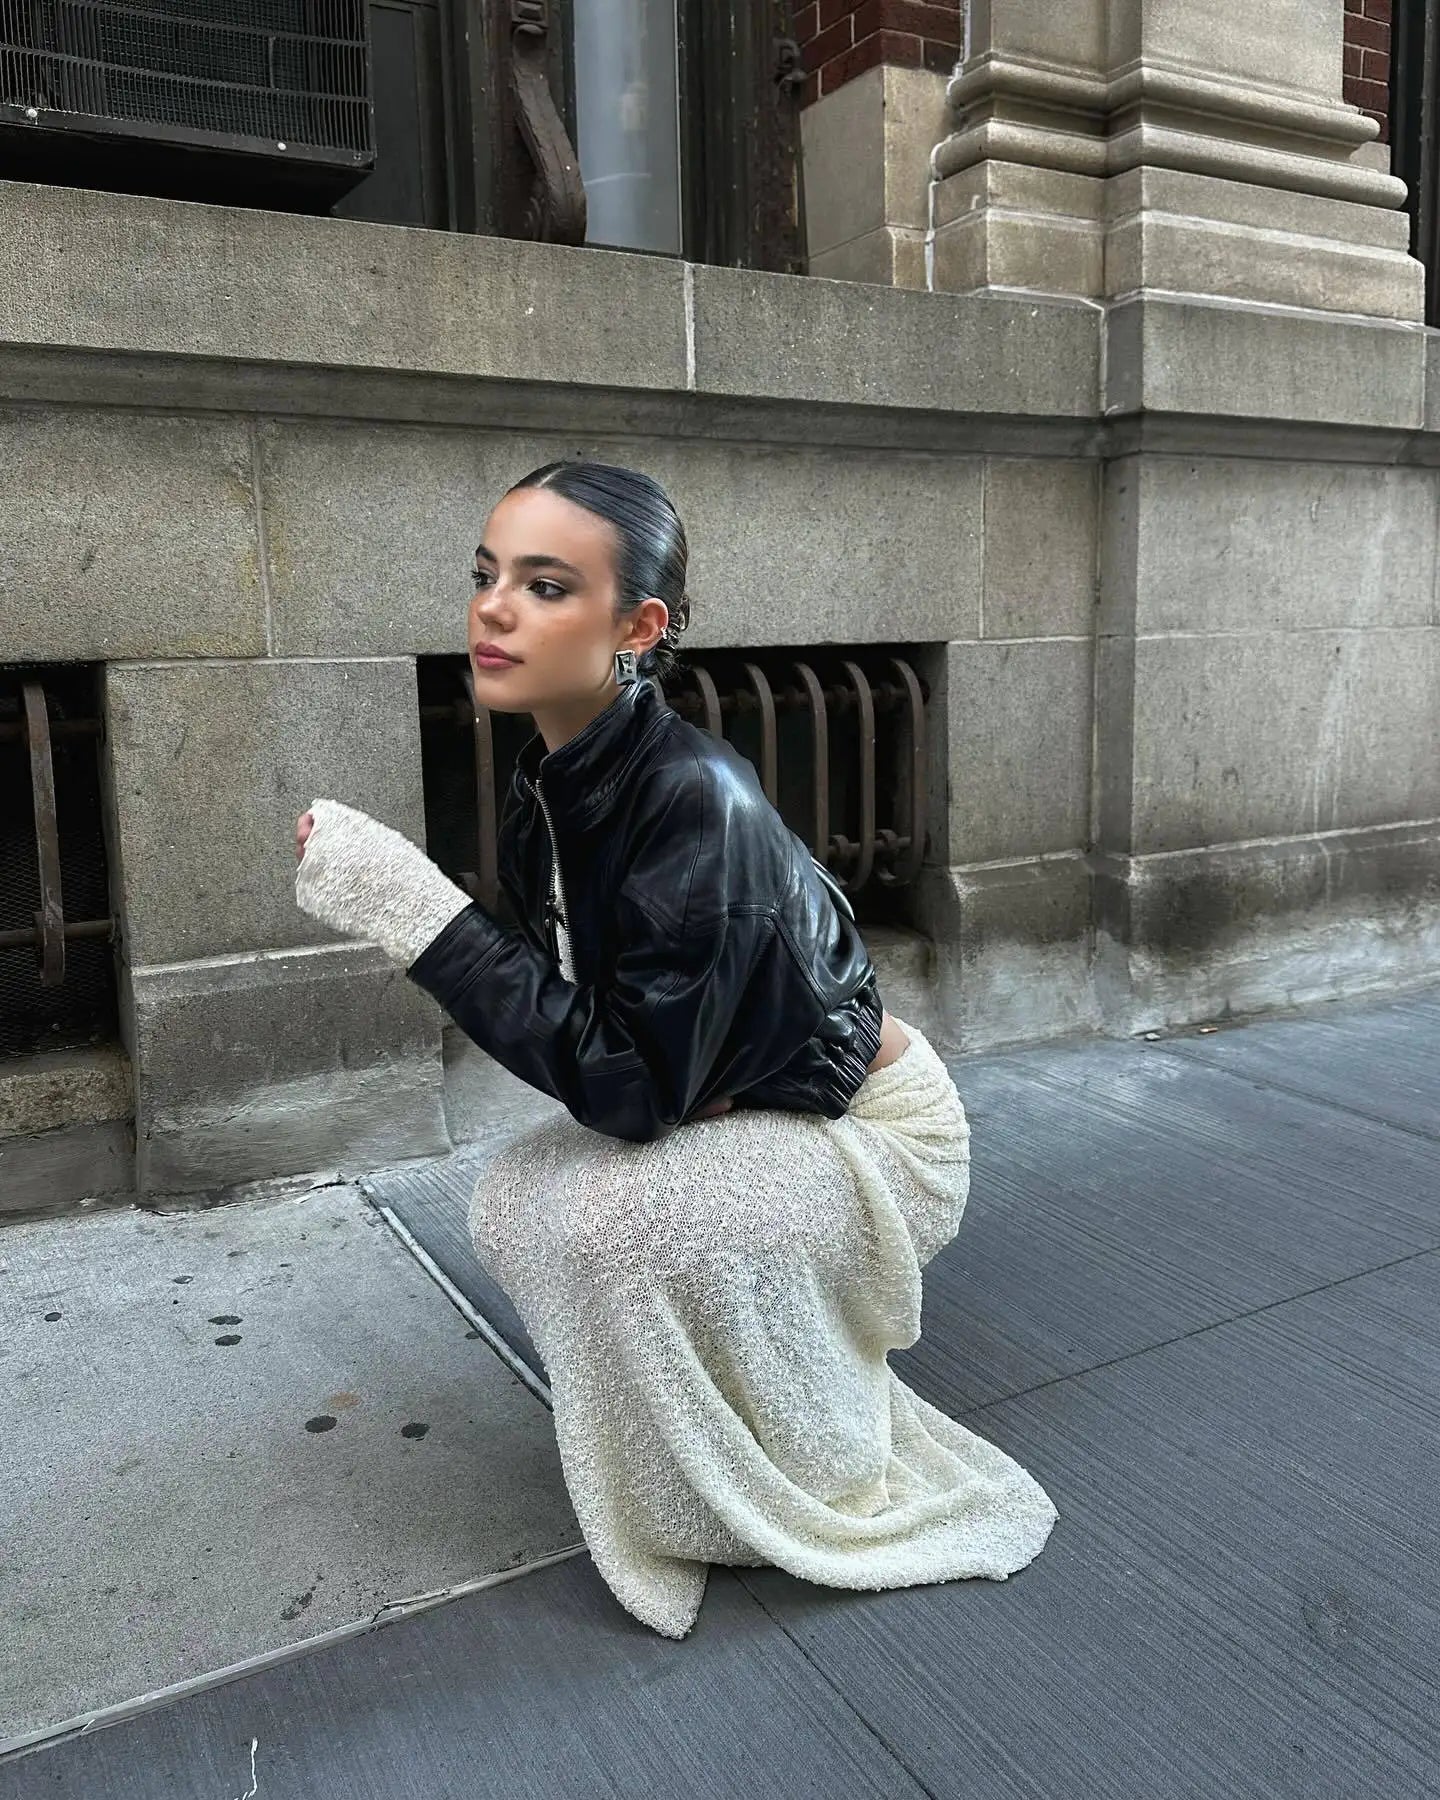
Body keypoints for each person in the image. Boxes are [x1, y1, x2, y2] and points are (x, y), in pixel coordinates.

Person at [294, 460, 1056, 1638]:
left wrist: (415, 909)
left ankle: (800, 1453)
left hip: (873, 1134)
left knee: (619, 1224)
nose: (494, 609)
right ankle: (708, 1428)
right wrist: (652, 1074)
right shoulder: (555, 785)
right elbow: (608, 1044)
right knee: (514, 1200)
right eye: (487, 575)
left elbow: (626, 1085)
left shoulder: (695, 796)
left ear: (637, 627)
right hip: (754, 1099)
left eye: (546, 585)